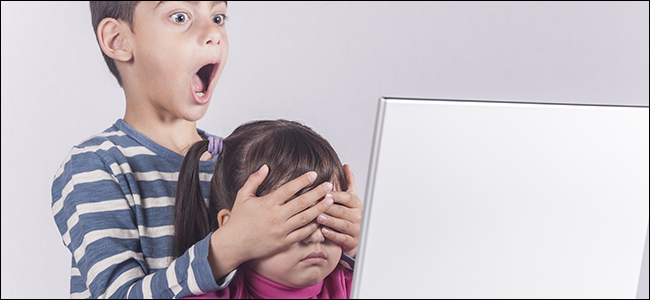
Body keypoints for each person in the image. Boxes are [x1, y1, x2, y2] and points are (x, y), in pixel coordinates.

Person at [51, 2, 361, 298]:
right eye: (180, 17)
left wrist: (355, 243)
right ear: (118, 40)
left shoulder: (240, 159)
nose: (213, 33)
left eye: (218, 17)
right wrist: (227, 247)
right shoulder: (95, 166)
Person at [175, 119, 354, 299]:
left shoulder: (358, 285)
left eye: (328, 213)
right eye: (294, 216)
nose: (316, 237)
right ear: (231, 228)